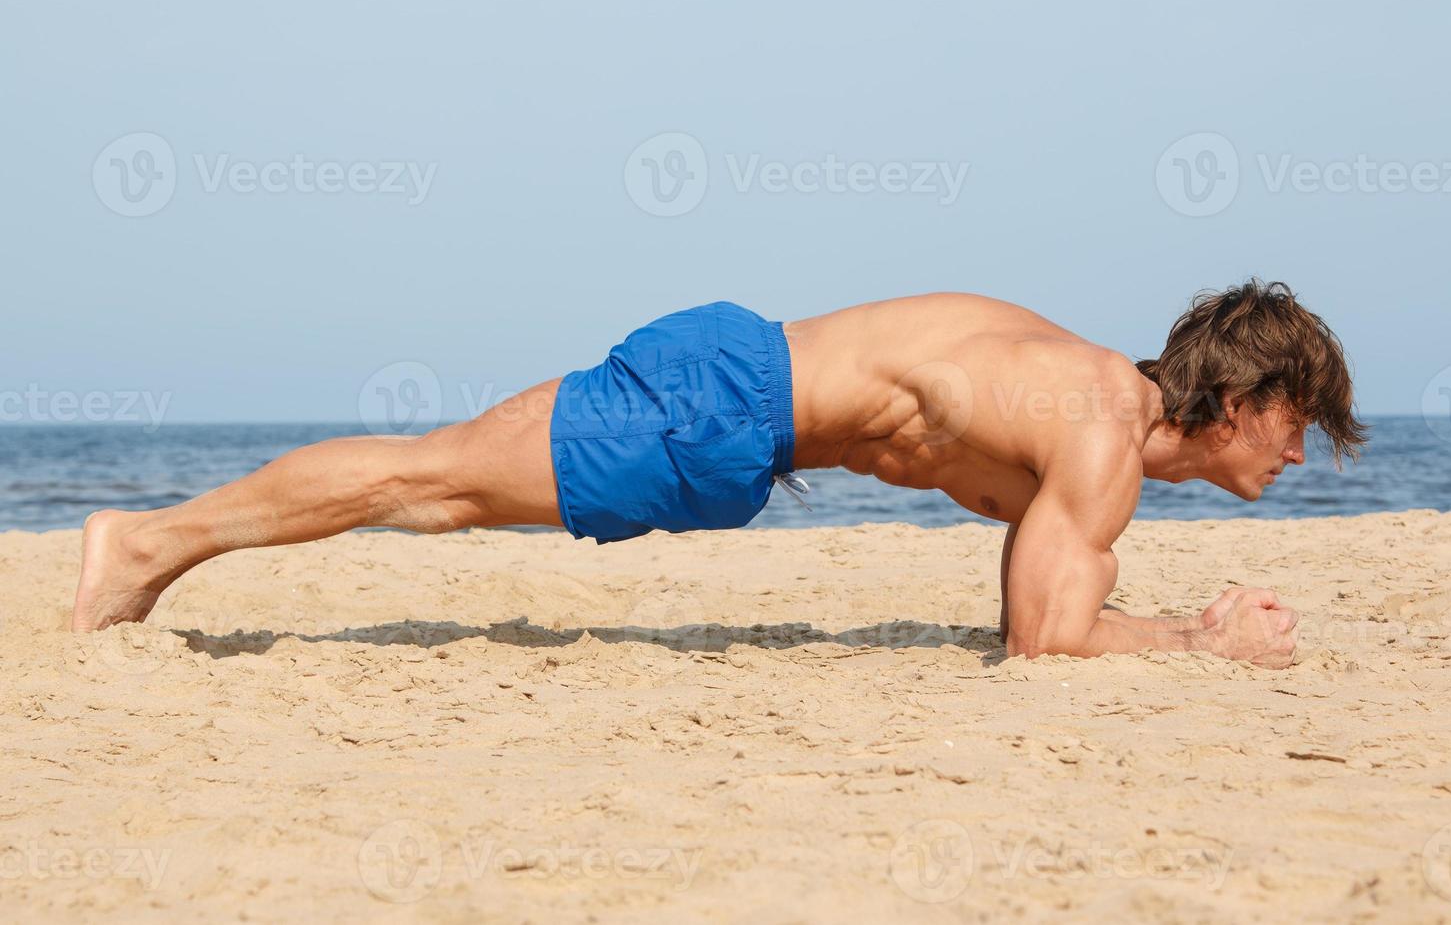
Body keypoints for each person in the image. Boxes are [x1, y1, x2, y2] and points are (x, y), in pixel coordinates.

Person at [71, 280, 1366, 670]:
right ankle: (145, 546)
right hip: (724, 410)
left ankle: (153, 548)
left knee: (438, 475)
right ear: (1238, 399)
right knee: (433, 483)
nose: (1298, 453)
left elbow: (1040, 595)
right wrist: (1199, 644)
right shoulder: (1094, 425)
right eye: (1294, 422)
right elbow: (1043, 644)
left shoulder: (1081, 405)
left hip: (729, 399)